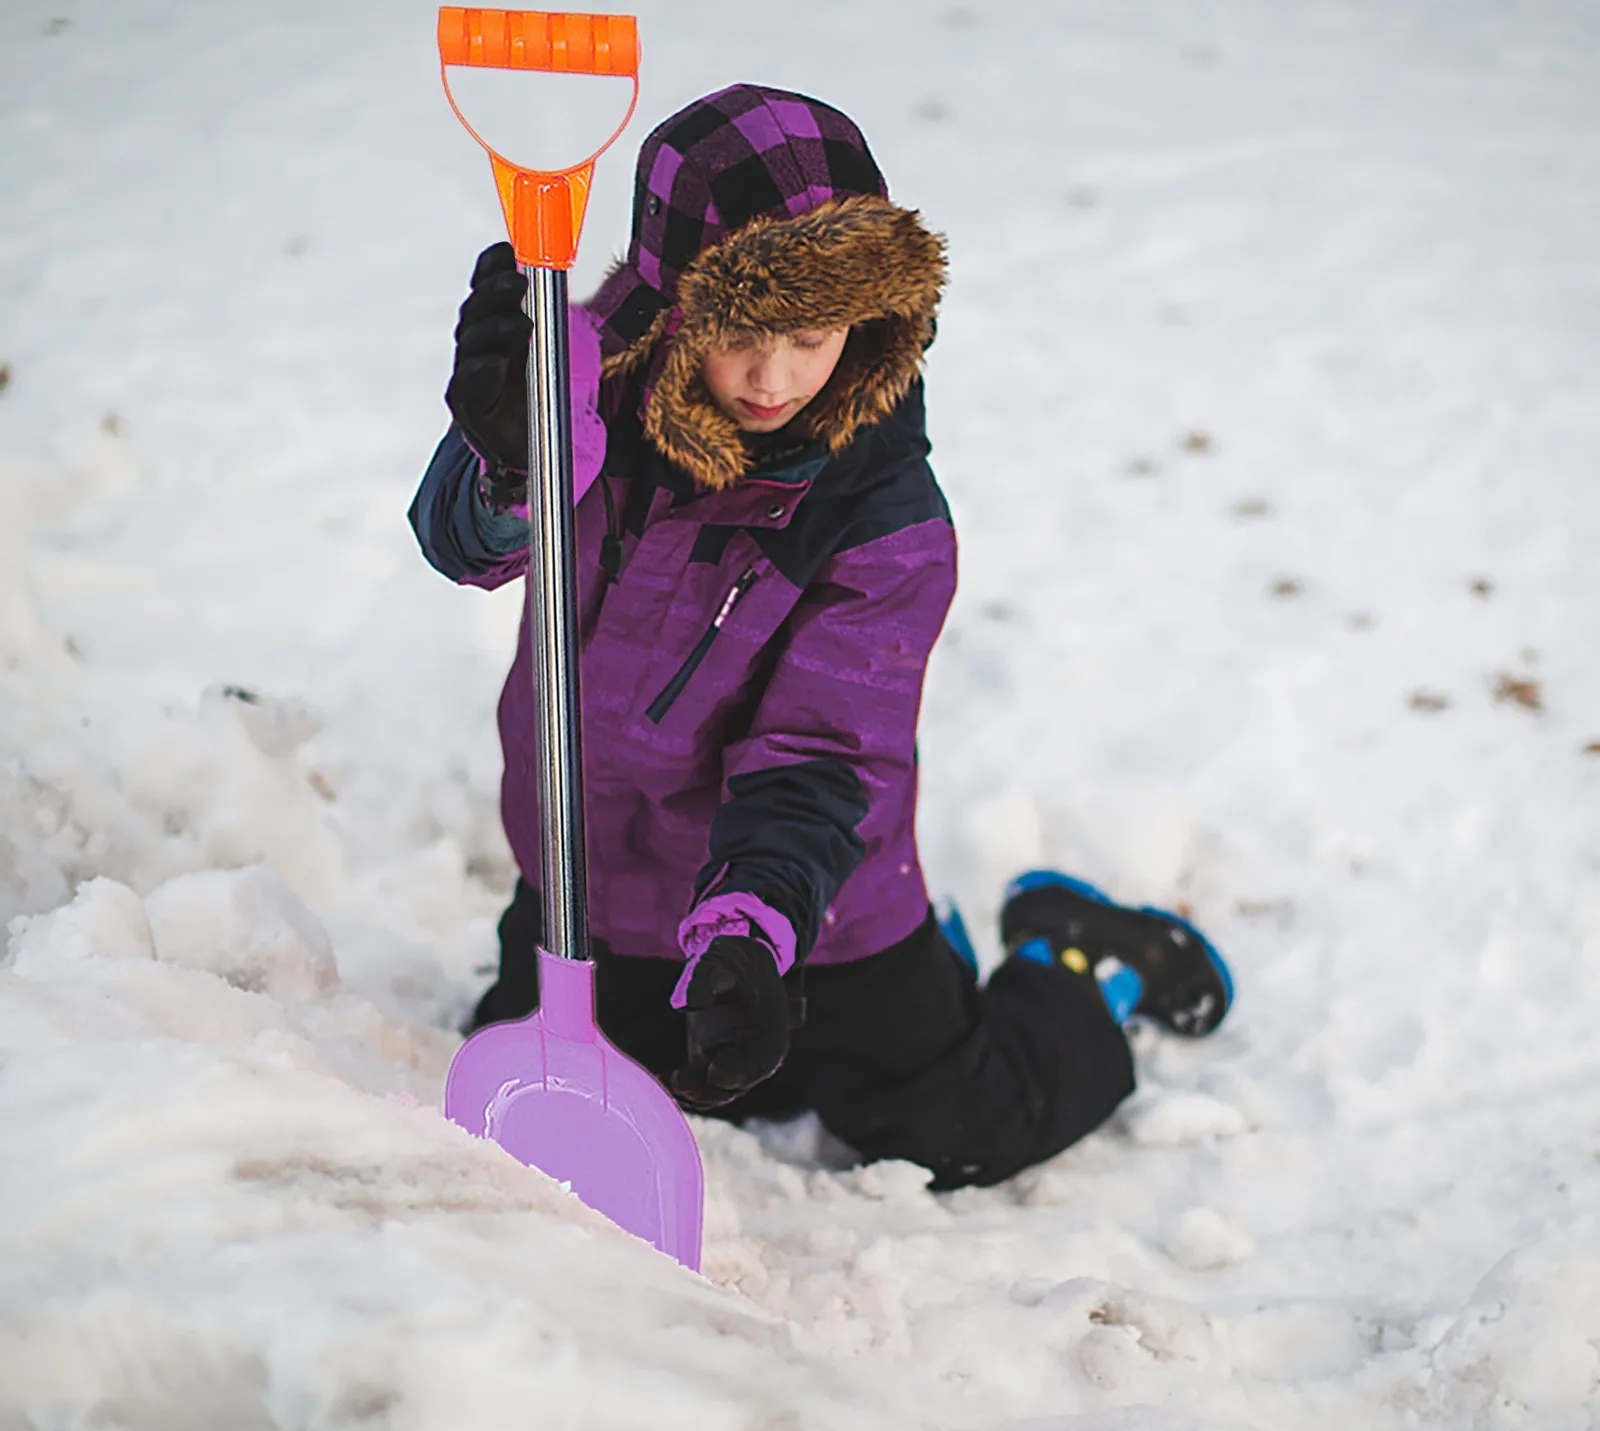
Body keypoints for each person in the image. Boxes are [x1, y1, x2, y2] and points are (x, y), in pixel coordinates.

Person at [409, 85, 1232, 1189]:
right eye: (740, 334)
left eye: (811, 336)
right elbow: (467, 548)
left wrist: (750, 930)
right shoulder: (578, 393)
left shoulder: (883, 516)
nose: (775, 378)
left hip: (804, 899)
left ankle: (1081, 961)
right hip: (586, 886)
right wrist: (509, 463)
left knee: (953, 1127)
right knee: (549, 1090)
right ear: (672, 305)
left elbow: (821, 755)